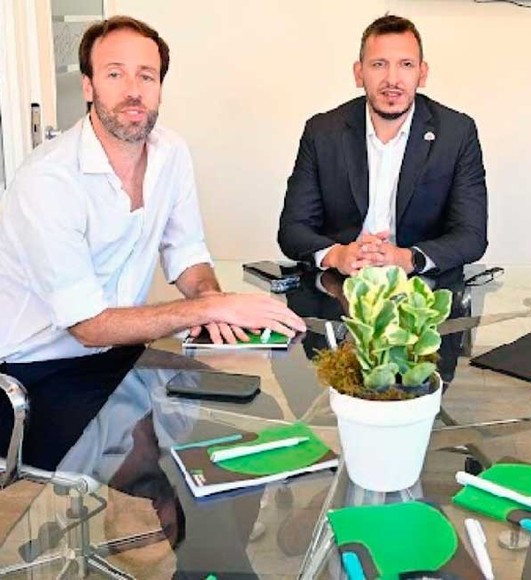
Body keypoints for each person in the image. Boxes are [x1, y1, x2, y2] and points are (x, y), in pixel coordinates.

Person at [0, 16, 304, 466]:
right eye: (115, 73)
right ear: (88, 86)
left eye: (147, 75)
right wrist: (210, 308)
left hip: (121, 358)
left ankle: (184, 522)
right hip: (35, 375)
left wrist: (207, 295)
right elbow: (87, 326)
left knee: (253, 412)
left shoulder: (171, 153)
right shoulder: (48, 180)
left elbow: (186, 253)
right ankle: (160, 518)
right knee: (143, 461)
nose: (133, 90)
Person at [277, 15, 488, 279]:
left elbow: (471, 236)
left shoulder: (456, 133)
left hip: (424, 288)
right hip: (339, 284)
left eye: (406, 65)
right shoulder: (322, 132)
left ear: (422, 74)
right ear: (359, 72)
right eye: (379, 65)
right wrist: (337, 255)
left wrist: (406, 258)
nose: (392, 79)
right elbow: (293, 230)